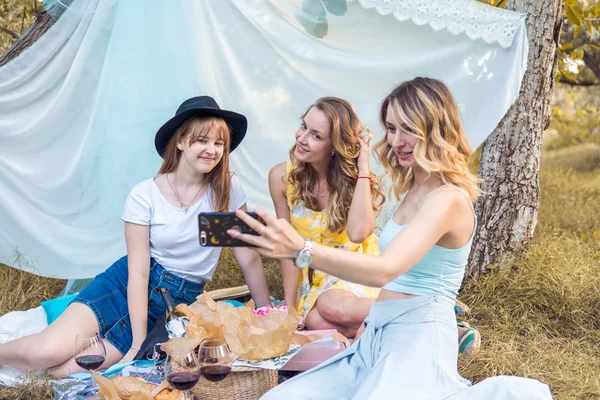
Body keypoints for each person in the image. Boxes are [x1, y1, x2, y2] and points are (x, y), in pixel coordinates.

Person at [231, 78, 552, 399]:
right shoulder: (413, 189)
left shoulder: (448, 199)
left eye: (407, 128)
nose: (397, 140)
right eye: (391, 128)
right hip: (378, 330)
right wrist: (367, 331)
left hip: (419, 336)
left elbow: (386, 269)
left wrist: (301, 248)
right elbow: (394, 283)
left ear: (435, 129)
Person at [0, 96, 271, 378]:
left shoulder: (226, 188)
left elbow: (247, 256)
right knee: (45, 354)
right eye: (202, 140)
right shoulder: (146, 195)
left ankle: (92, 340)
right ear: (180, 142)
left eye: (219, 144)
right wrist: (137, 340)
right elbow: (139, 272)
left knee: (62, 373)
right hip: (126, 284)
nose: (211, 150)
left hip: (174, 301)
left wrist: (266, 312)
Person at [269, 97, 384, 338]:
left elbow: (359, 234)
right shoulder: (281, 177)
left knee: (330, 307)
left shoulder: (357, 182)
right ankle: (385, 329)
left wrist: (363, 169)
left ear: (335, 146)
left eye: (316, 135)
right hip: (313, 276)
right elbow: (288, 249)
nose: (302, 138)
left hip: (354, 268)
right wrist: (289, 307)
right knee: (316, 321)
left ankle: (420, 313)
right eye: (303, 126)